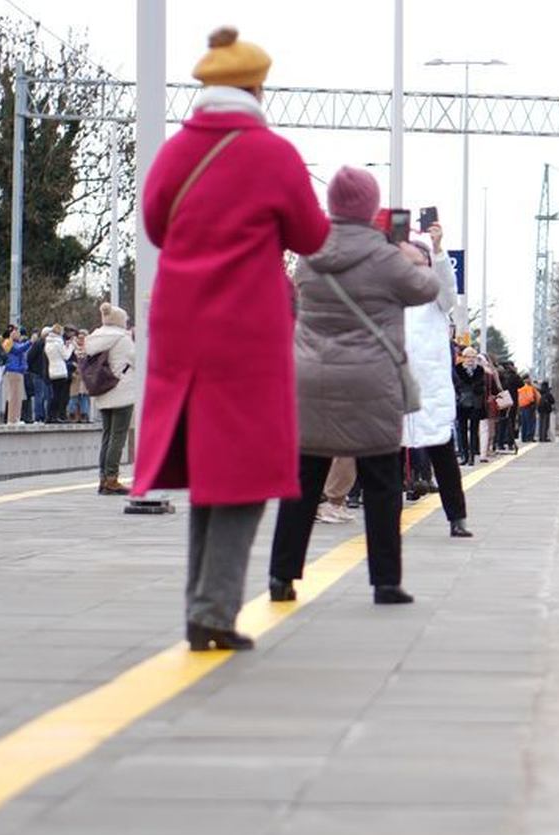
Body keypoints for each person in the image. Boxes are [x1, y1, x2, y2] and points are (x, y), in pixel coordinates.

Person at [133, 25, 330, 652]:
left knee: (210, 473)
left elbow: (155, 226)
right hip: (247, 334)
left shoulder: (175, 152)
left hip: (180, 327)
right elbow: (311, 235)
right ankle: (214, 613)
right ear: (255, 89)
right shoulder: (273, 154)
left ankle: (204, 608)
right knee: (244, 473)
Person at [267, 165, 440, 608]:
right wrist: (417, 255)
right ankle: (385, 582)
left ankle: (282, 575)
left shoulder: (310, 255)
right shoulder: (386, 258)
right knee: (382, 481)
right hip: (371, 381)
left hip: (312, 379)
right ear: (370, 207)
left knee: (304, 479)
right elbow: (426, 291)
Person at [400, 225, 473, 538]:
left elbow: (448, 287)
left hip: (430, 388)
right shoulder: (392, 294)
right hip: (396, 385)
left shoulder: (436, 298)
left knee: (442, 454)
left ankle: (457, 517)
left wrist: (439, 248)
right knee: (388, 456)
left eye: (418, 263)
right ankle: (384, 516)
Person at [86, 303, 138, 494]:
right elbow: (137, 360)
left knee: (107, 435)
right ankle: (112, 478)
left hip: (103, 390)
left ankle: (103, 478)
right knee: (118, 436)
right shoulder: (122, 339)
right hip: (122, 392)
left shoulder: (95, 337)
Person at [453, 346, 486, 466]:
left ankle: (472, 456)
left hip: (475, 403)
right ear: (464, 358)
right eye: (468, 357)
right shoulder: (458, 369)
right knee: (462, 430)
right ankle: (464, 455)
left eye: (473, 357)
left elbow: (482, 386)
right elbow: (455, 385)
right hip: (461, 402)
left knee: (473, 430)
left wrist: (478, 390)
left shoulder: (480, 370)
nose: (471, 359)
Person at [3, 325, 30, 425]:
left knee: (18, 396)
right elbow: (19, 350)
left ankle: (16, 417)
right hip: (14, 370)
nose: (19, 335)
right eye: (17, 333)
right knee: (14, 396)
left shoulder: (15, 343)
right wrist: (30, 342)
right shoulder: (9, 343)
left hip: (18, 371)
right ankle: (12, 419)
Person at [44, 324, 71, 423]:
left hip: (52, 370)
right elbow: (66, 356)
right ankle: (55, 416)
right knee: (59, 395)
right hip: (60, 370)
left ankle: (50, 416)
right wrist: (70, 347)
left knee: (54, 394)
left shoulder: (48, 343)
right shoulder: (58, 342)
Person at [27, 328, 49, 422]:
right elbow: (30, 356)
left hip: (42, 372)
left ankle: (42, 415)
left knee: (42, 395)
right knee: (40, 395)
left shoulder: (40, 344)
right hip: (38, 372)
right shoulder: (39, 344)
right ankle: (39, 415)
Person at [517, 373, 538, 443]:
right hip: (529, 406)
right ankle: (529, 437)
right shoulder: (529, 387)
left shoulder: (520, 387)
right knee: (530, 422)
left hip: (522, 406)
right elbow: (530, 397)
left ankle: (524, 437)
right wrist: (533, 403)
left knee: (524, 423)